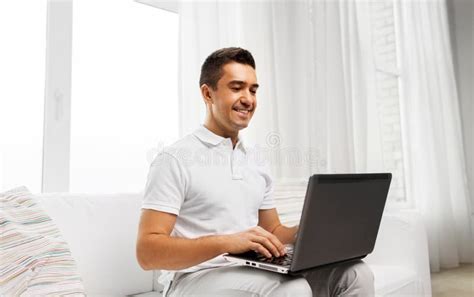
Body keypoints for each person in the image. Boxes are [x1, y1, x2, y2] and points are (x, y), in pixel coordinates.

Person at [136, 47, 374, 296]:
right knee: (292, 289)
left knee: (355, 274)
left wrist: (308, 230)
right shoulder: (174, 159)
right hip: (194, 278)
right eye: (236, 88)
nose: (248, 99)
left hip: (251, 270)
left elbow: (272, 231)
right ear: (208, 93)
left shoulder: (256, 160)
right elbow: (147, 253)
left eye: (253, 89)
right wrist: (227, 242)